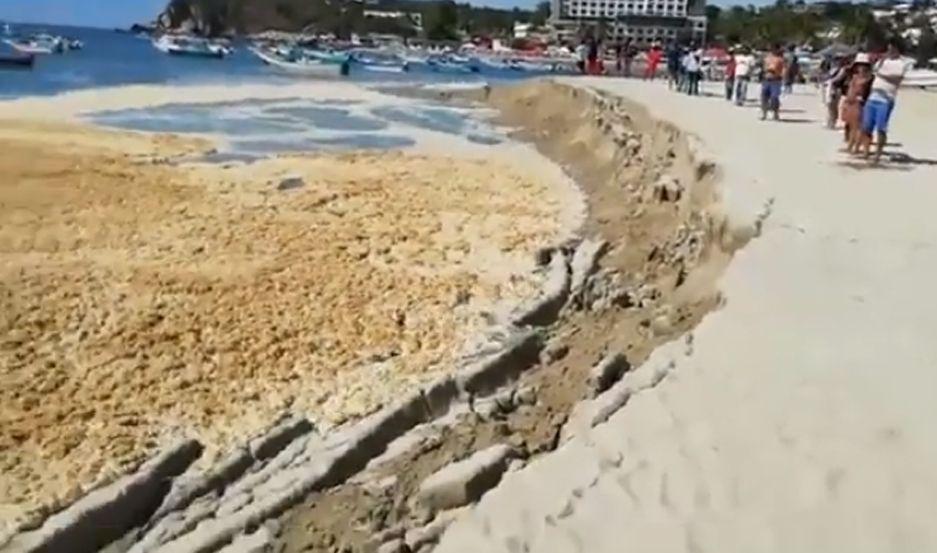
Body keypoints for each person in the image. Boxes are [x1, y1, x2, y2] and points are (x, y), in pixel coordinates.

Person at [860, 39, 911, 163]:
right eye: (888, 49)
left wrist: (880, 73)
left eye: (892, 49)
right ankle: (866, 151)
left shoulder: (903, 63)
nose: (889, 51)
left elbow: (897, 77)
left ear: (897, 49)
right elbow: (873, 72)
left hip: (886, 99)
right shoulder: (882, 62)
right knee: (866, 126)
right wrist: (879, 63)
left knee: (881, 128)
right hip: (873, 97)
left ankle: (878, 153)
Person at [841, 53, 874, 154]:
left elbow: (868, 92)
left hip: (860, 104)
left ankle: (857, 148)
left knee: (859, 127)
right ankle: (852, 147)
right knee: (852, 126)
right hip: (851, 102)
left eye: (863, 65)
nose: (861, 67)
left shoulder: (870, 78)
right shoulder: (854, 76)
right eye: (859, 65)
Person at [825, 56, 850, 129]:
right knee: (830, 105)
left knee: (833, 106)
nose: (836, 62)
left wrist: (830, 81)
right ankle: (830, 121)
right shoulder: (834, 69)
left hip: (836, 89)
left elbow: (839, 78)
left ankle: (832, 122)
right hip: (831, 87)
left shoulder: (843, 69)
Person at [760, 44, 785, 120]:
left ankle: (775, 113)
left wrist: (781, 76)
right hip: (766, 80)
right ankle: (764, 114)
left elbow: (784, 69)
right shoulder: (767, 59)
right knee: (764, 97)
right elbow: (763, 67)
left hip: (776, 80)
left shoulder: (780, 59)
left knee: (774, 97)